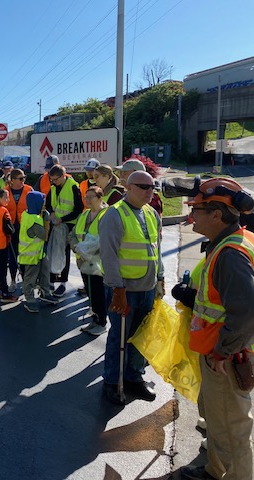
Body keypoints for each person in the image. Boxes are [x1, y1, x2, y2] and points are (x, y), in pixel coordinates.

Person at [174, 178, 254, 480]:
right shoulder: (235, 241)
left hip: (229, 356)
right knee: (220, 423)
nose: (191, 216)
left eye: (197, 210)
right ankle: (215, 470)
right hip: (223, 352)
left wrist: (224, 351)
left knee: (233, 428)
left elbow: (246, 310)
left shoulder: (230, 254)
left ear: (217, 215)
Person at [99, 170, 164, 405]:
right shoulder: (114, 215)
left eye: (153, 187)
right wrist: (117, 289)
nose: (150, 192)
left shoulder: (152, 214)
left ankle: (134, 378)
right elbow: (109, 255)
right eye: (144, 187)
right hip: (123, 290)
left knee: (140, 337)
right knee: (120, 337)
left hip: (146, 289)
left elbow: (156, 248)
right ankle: (112, 382)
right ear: (128, 187)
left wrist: (161, 278)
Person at [69, 186, 108, 335]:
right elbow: (72, 234)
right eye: (86, 197)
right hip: (83, 261)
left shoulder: (106, 215)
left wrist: (91, 250)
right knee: (91, 293)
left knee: (99, 293)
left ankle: (101, 322)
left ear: (100, 198)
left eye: (91, 197)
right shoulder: (84, 215)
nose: (87, 200)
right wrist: (76, 247)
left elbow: (108, 238)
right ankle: (95, 319)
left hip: (98, 263)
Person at [45, 164, 84, 297]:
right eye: (52, 179)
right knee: (52, 250)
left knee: (64, 253)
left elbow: (79, 209)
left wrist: (63, 219)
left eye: (55, 179)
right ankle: (51, 280)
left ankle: (62, 283)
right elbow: (49, 204)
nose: (53, 182)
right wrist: (51, 213)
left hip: (68, 225)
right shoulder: (53, 187)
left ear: (63, 176)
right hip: (55, 224)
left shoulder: (73, 186)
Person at [19, 191, 54, 313]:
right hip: (31, 255)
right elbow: (44, 235)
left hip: (39, 252)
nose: (44, 204)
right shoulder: (34, 220)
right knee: (30, 278)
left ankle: (45, 292)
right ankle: (30, 299)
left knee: (45, 273)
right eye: (42, 202)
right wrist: (47, 220)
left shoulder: (28, 214)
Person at [5, 168, 33, 293]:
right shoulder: (5, 191)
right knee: (12, 255)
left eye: (24, 178)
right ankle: (12, 280)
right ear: (13, 180)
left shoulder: (28, 190)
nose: (23, 180)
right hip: (11, 227)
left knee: (24, 255)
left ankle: (25, 280)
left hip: (25, 227)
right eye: (21, 178)